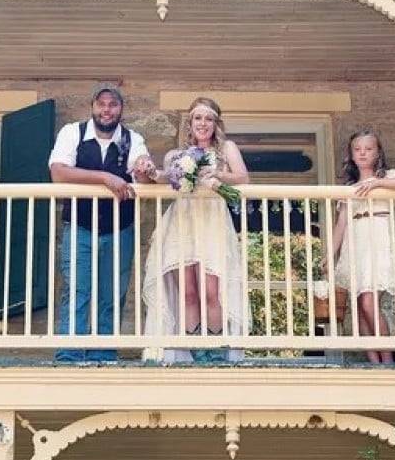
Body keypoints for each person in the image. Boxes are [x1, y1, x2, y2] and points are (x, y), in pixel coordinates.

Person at [48, 84, 158, 362]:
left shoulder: (132, 139)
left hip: (120, 229)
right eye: (101, 104)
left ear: (121, 110)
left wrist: (144, 168)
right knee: (77, 289)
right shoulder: (72, 132)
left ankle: (103, 355)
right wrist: (105, 178)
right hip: (79, 226)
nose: (106, 110)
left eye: (113, 104)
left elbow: (142, 175)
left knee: (112, 294)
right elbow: (59, 173)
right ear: (93, 107)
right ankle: (69, 356)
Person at [142, 97, 250, 363]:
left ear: (216, 124)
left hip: (211, 221)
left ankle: (215, 352)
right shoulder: (176, 156)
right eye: (198, 118)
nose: (203, 123)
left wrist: (216, 176)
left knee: (211, 291)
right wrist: (150, 172)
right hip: (182, 223)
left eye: (209, 119)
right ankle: (196, 353)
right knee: (188, 293)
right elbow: (165, 177)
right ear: (189, 124)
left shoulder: (226, 149)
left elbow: (243, 178)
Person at [330, 129, 395, 364]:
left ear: (378, 152)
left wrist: (378, 182)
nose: (362, 153)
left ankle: (387, 361)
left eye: (368, 149)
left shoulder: (388, 176)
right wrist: (330, 255)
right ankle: (374, 362)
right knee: (358, 305)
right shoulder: (350, 186)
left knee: (370, 301)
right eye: (357, 149)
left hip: (376, 238)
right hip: (355, 241)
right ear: (351, 154)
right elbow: (341, 224)